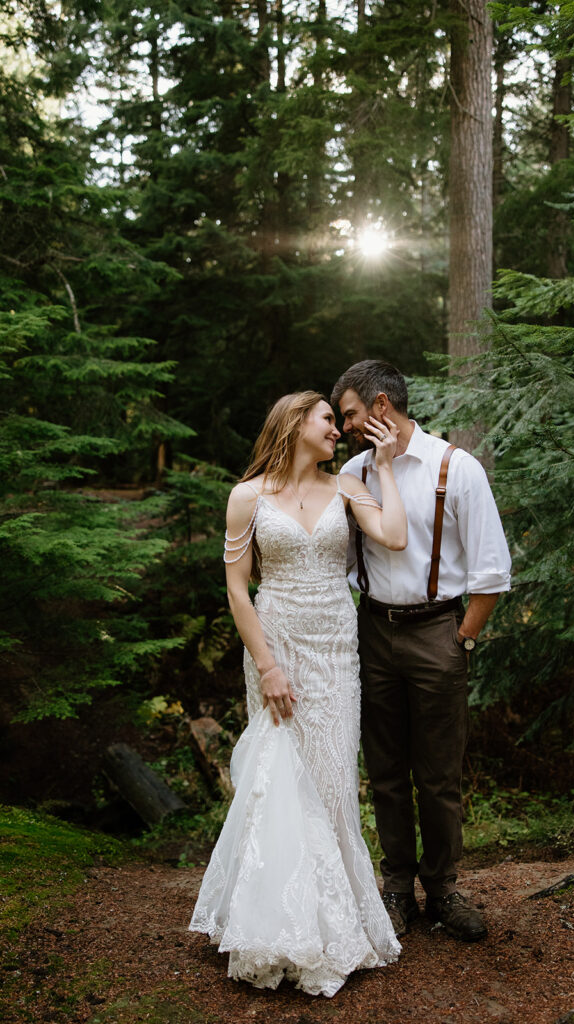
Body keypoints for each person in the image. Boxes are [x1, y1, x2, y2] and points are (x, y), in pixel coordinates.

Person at [189, 391, 407, 997]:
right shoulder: (247, 497)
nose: (338, 430)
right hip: (278, 640)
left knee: (335, 780)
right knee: (280, 778)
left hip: (337, 646)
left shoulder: (346, 488)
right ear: (294, 423)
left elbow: (392, 536)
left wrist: (384, 466)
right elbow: (236, 588)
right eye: (329, 420)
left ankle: (334, 927)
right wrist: (266, 666)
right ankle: (276, 927)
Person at [331, 360, 511, 943]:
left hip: (438, 631)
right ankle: (396, 887)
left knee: (437, 774)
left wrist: (462, 640)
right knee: (385, 770)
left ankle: (443, 888)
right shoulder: (355, 471)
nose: (345, 428)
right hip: (372, 631)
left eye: (352, 414)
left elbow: (491, 573)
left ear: (382, 406)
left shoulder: (455, 468)